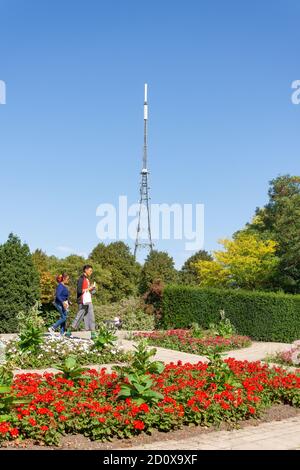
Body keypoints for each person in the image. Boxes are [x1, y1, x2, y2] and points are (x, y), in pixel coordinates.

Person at [71, 265, 96, 334]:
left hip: (88, 300)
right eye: (90, 271)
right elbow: (79, 291)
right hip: (82, 301)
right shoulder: (81, 279)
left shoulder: (87, 279)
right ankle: (69, 330)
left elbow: (87, 290)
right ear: (86, 270)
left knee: (91, 315)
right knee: (79, 316)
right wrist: (89, 288)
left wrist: (92, 289)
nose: (91, 272)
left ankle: (93, 333)